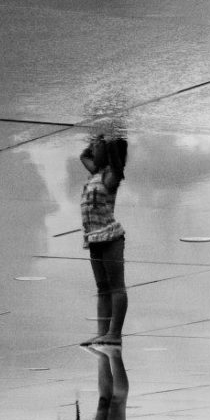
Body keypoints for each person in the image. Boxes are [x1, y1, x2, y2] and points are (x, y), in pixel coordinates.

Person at [79, 120, 128, 347]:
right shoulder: (95, 172)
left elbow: (117, 166)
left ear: (108, 152)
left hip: (110, 237)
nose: (93, 147)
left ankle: (114, 333)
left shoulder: (111, 175)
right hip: (94, 238)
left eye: (97, 146)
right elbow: (83, 155)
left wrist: (108, 143)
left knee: (116, 285)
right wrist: (96, 140)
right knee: (102, 287)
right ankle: (102, 332)